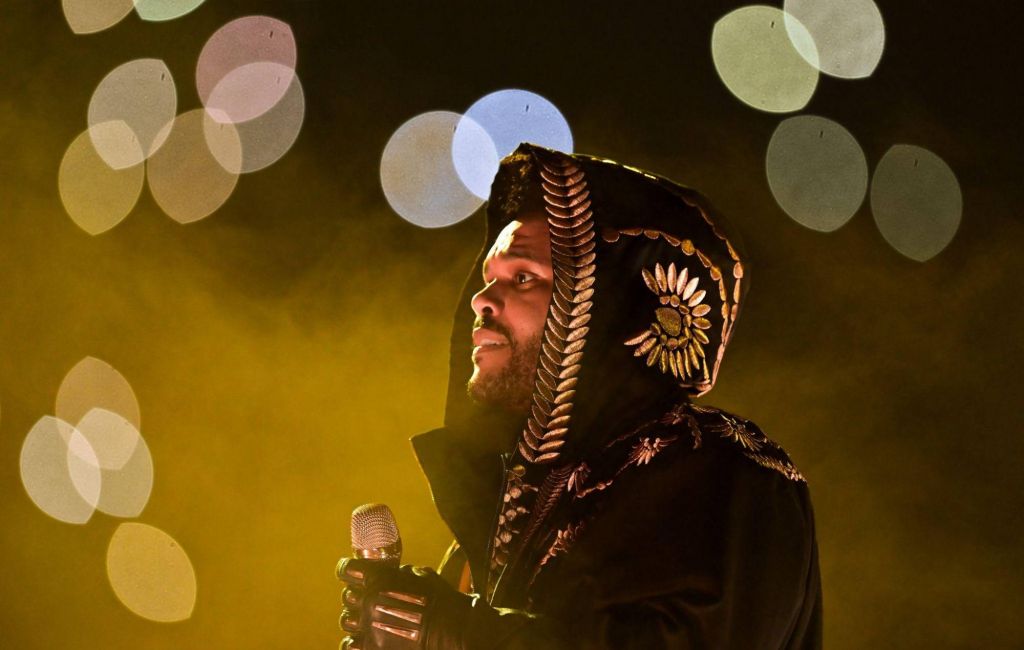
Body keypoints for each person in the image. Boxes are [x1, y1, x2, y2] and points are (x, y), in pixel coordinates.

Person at [337, 144, 822, 649]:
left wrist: (457, 632)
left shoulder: (734, 476)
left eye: (523, 278)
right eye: (489, 278)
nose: (481, 300)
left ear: (608, 306)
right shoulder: (502, 517)